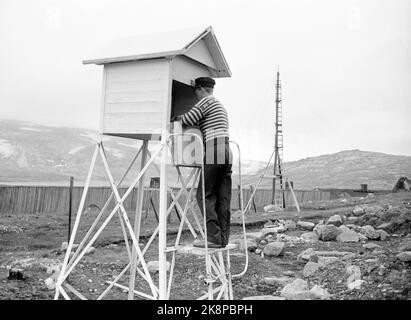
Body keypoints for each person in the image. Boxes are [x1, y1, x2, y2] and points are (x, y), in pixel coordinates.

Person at [174, 77, 233, 248]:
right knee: (222, 197)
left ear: (200, 89)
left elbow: (187, 119)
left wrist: (175, 118)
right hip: (226, 150)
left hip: (214, 149)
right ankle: (222, 238)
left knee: (204, 194)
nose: (195, 95)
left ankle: (213, 238)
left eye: (195, 91)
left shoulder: (205, 102)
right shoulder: (219, 105)